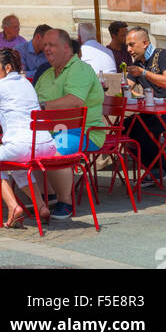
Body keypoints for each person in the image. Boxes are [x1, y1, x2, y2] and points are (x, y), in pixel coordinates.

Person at [35, 28, 106, 219]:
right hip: (52, 130)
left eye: (52, 45)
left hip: (84, 132)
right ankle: (48, 194)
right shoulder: (47, 74)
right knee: (28, 147)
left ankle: (65, 201)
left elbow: (75, 100)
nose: (47, 49)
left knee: (55, 151)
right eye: (45, 46)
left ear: (66, 48)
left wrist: (42, 107)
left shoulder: (80, 69)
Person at [0, 47, 57, 228]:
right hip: (46, 143)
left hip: (23, 144)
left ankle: (13, 206)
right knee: (17, 167)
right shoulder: (25, 82)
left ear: (7, 68)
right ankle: (40, 207)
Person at [121, 25, 166, 188]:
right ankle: (157, 168)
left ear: (145, 43)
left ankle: (159, 169)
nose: (128, 49)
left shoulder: (163, 55)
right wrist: (125, 86)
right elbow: (127, 87)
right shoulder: (137, 63)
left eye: (131, 45)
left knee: (142, 128)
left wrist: (144, 73)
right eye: (127, 45)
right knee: (124, 128)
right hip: (157, 112)